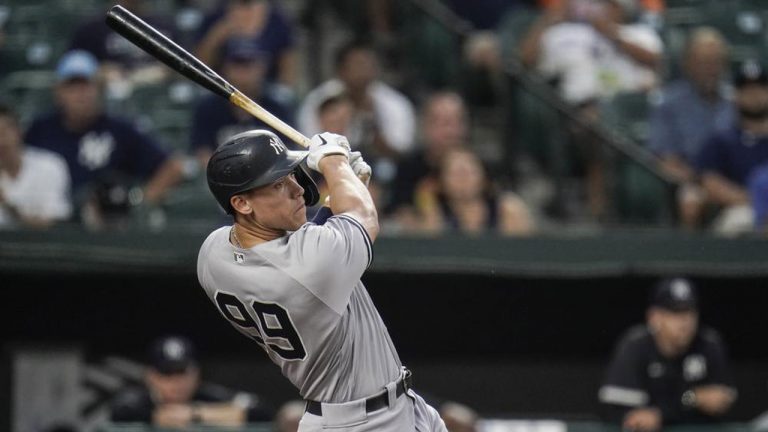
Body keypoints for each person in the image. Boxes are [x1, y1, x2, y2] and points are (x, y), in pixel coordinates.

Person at [197, 129, 447, 431]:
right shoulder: (311, 267)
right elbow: (364, 219)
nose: (298, 189)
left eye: (291, 174)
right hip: (361, 423)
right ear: (242, 204)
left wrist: (339, 195)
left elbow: (299, 251)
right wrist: (334, 163)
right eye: (278, 184)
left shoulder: (212, 255)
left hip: (390, 409)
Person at [24, 50, 185, 229]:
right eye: (72, 86)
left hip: (109, 226)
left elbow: (173, 166)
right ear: (59, 92)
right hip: (51, 222)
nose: (81, 94)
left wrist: (137, 204)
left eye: (86, 85)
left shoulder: (119, 130)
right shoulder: (40, 129)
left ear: (99, 89)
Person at [598, 277, 737, 430]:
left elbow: (722, 400)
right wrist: (692, 398)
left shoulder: (709, 344)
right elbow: (621, 413)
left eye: (689, 312)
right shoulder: (636, 346)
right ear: (654, 317)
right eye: (675, 313)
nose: (685, 322)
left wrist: (666, 410)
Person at [647, 27, 735, 228]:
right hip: (692, 180)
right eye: (703, 62)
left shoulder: (736, 101)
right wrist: (702, 181)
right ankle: (693, 255)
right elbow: (667, 161)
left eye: (715, 62)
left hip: (734, 180)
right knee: (690, 200)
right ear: (687, 64)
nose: (710, 69)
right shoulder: (668, 103)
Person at [297, 39, 416, 170]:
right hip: (328, 167)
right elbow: (307, 145)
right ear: (341, 69)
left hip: (381, 169)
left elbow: (403, 152)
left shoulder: (394, 103)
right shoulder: (318, 101)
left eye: (367, 65)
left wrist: (373, 124)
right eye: (357, 65)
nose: (362, 71)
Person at [110, 335, 274, 427]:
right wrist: (156, 416)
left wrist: (195, 414)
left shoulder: (207, 395)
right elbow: (121, 411)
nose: (175, 381)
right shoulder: (137, 401)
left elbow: (260, 409)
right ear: (151, 376)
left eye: (181, 372)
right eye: (167, 373)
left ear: (196, 374)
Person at [189, 36, 295, 168]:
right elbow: (202, 151)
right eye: (237, 64)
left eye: (249, 64)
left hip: (269, 176)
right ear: (225, 68)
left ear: (262, 67)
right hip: (224, 178)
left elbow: (289, 151)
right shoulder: (208, 107)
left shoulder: (277, 106)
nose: (244, 72)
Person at [696, 59, 768, 235]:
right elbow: (710, 182)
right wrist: (757, 200)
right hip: (742, 209)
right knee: (736, 223)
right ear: (735, 95)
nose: (754, 95)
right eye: (747, 90)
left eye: (760, 89)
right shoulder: (722, 140)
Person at [386, 91, 468, 230]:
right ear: (426, 126)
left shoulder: (479, 167)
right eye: (442, 123)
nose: (449, 131)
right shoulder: (409, 168)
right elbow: (400, 212)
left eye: (455, 122)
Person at [414, 147, 535, 236]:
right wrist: (427, 201)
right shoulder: (436, 212)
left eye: (469, 172)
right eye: (455, 174)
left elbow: (522, 249)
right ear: (441, 181)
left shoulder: (506, 208)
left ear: (484, 178)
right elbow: (428, 246)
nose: (463, 179)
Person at [195, 0, 297, 90]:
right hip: (221, 87)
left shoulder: (278, 20)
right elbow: (199, 63)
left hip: (265, 90)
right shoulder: (216, 15)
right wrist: (219, 33)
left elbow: (287, 68)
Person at [0, 104, 72, 229]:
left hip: (41, 247)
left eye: (3, 133)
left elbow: (54, 225)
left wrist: (9, 206)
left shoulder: (49, 166)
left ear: (19, 132)